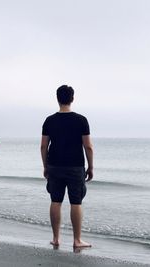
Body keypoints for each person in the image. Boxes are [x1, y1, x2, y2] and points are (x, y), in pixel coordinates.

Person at [40, 85, 94, 248]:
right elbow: (88, 146)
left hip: (54, 165)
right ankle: (77, 240)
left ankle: (56, 238)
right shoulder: (81, 120)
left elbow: (43, 146)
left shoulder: (49, 120)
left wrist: (45, 166)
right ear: (72, 98)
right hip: (75, 166)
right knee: (76, 202)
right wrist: (91, 167)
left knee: (55, 200)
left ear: (57, 99)